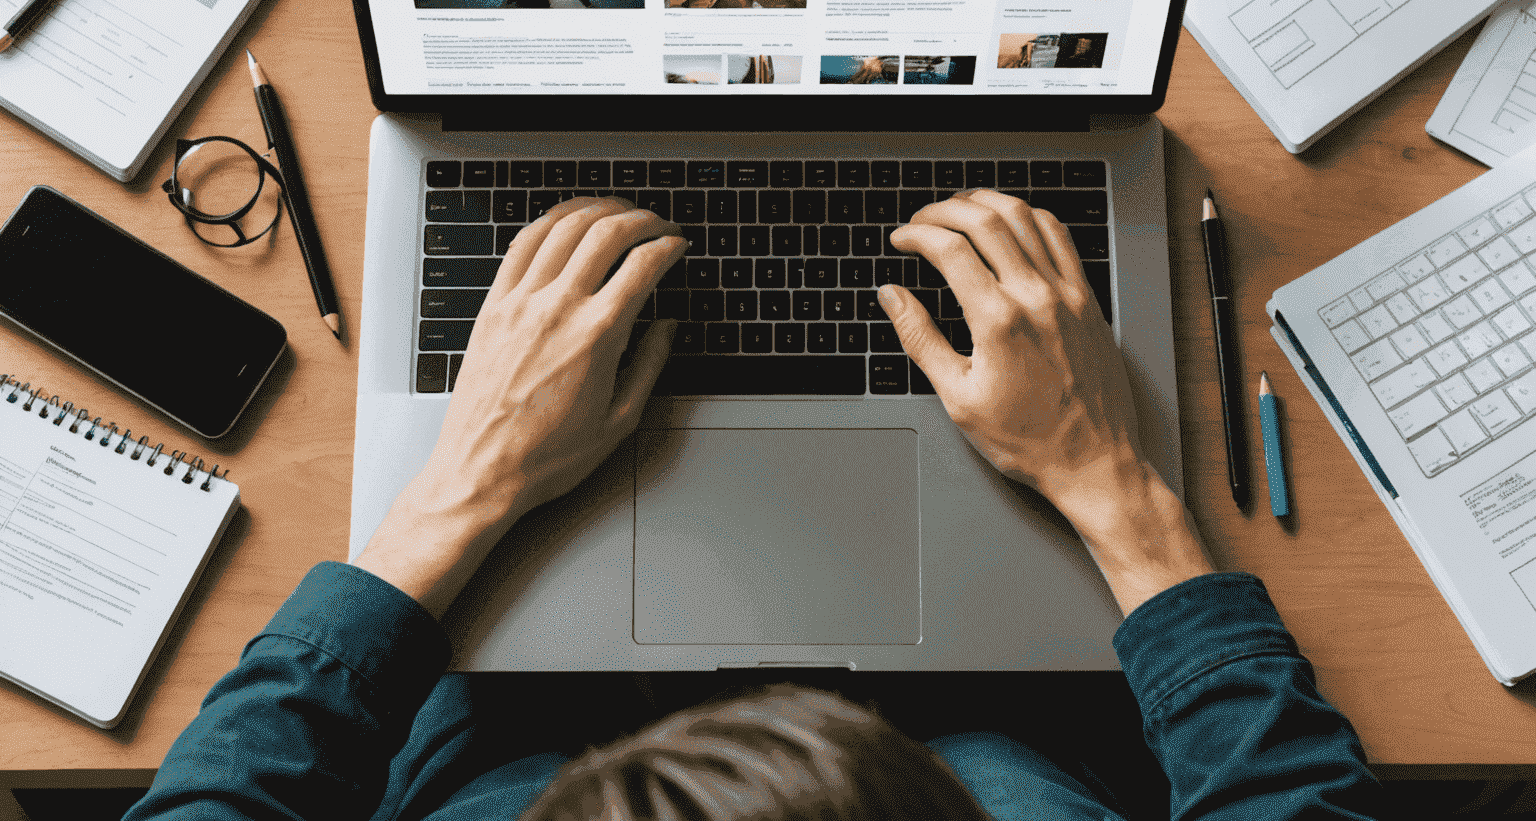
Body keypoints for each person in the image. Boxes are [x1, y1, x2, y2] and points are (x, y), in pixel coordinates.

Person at [123, 193, 1388, 821]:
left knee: (485, 693)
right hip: (972, 769)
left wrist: (467, 486)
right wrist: (1116, 489)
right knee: (1015, 736)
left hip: (515, 765)